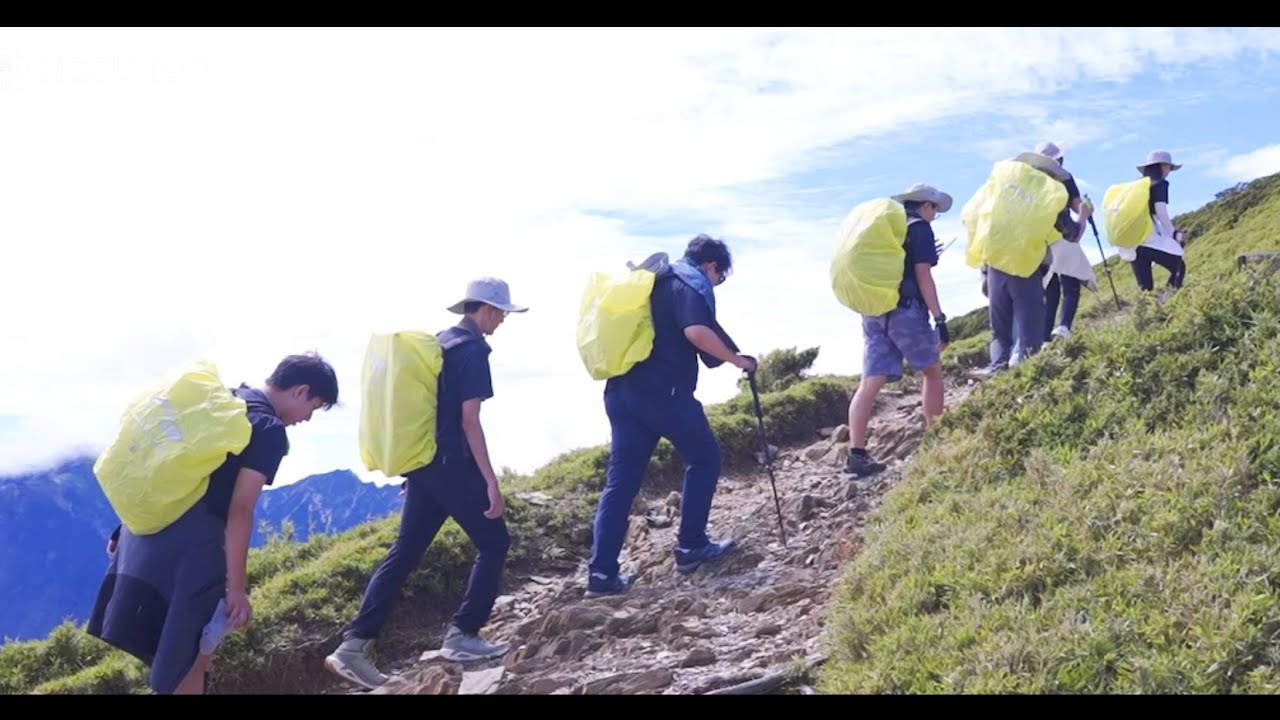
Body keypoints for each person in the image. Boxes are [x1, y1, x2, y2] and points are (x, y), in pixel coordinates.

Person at [88, 352, 340, 695]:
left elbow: (167, 465)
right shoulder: (268, 430)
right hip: (192, 550)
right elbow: (240, 510)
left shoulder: (223, 402)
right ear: (301, 391)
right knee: (190, 656)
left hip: (147, 537)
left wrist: (126, 524)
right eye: (314, 406)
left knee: (187, 653)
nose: (307, 419)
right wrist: (236, 589)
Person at [325, 278, 526, 691]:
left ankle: (353, 646)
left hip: (422, 463)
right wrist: (491, 481)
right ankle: (463, 635)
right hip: (451, 463)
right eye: (501, 311)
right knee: (494, 542)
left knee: (405, 552)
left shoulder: (439, 343)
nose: (504, 318)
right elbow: (470, 420)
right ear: (484, 309)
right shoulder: (471, 350)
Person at [583, 235, 757, 599]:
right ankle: (691, 546)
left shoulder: (651, 284)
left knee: (621, 483)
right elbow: (695, 331)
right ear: (711, 266)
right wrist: (737, 361)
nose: (716, 283)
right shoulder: (686, 283)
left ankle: (601, 575)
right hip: (664, 393)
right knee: (704, 457)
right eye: (719, 277)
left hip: (621, 393)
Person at [844, 183, 952, 478]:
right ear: (925, 206)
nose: (934, 215)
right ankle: (937, 438)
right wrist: (939, 319)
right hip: (905, 309)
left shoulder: (889, 231)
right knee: (931, 370)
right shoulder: (920, 229)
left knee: (870, 382)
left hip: (874, 309)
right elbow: (922, 275)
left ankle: (856, 453)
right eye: (935, 210)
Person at [1035, 142, 1096, 342]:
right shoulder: (1064, 177)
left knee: (1050, 289)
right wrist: (1084, 216)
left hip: (1038, 239)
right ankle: (1063, 327)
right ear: (1059, 160)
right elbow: (1077, 205)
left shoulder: (1032, 180)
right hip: (1063, 234)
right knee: (1071, 284)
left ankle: (1044, 340)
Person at [1118, 149, 1186, 301]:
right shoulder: (1160, 184)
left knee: (1146, 290)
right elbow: (1160, 212)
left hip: (1129, 242)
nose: (1169, 171)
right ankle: (1167, 303)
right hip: (1147, 238)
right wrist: (1174, 234)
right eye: (1169, 167)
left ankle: (1148, 317)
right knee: (1179, 267)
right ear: (1162, 166)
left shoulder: (1136, 186)